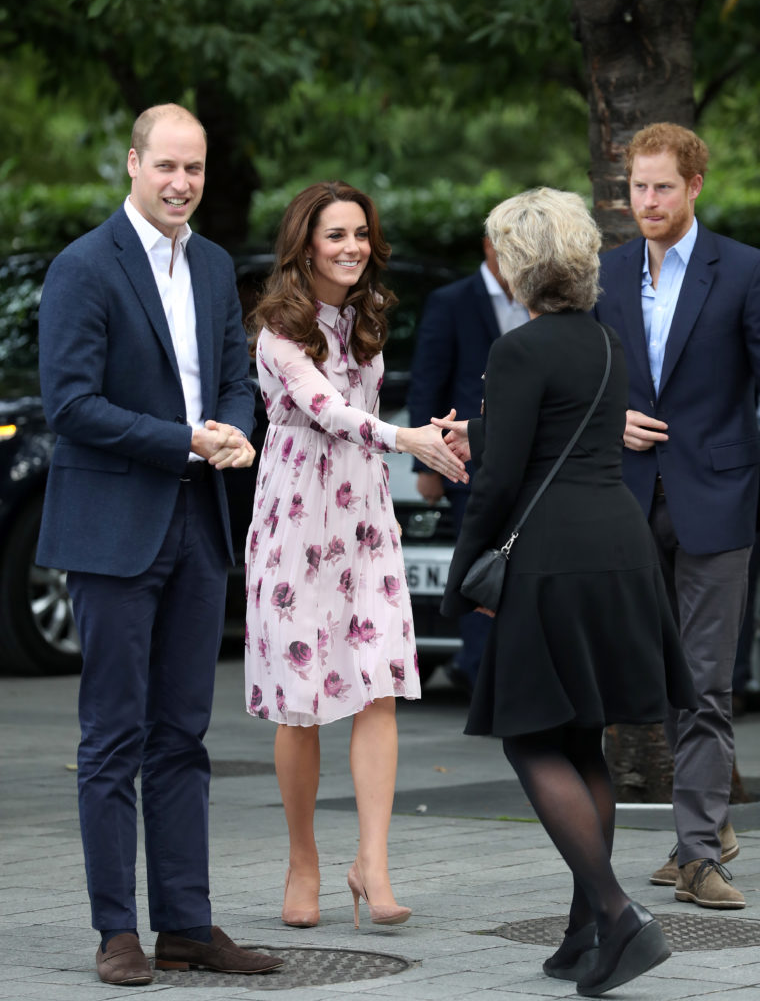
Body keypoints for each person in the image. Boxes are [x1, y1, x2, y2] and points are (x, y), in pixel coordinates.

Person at [36, 104, 282, 985]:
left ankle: (185, 924)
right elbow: (69, 405)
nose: (182, 184)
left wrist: (236, 429)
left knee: (185, 734)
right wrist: (184, 438)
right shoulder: (83, 266)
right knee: (112, 738)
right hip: (113, 527)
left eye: (196, 169)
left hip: (198, 522)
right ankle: (117, 931)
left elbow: (231, 374)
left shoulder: (214, 265)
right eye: (167, 166)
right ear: (133, 165)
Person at [438, 188, 695, 996]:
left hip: (551, 560)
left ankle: (620, 916)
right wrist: (479, 428)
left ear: (516, 263)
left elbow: (502, 478)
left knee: (531, 736)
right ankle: (586, 927)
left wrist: (462, 576)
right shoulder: (608, 342)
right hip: (616, 548)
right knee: (582, 734)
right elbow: (562, 428)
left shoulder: (518, 349)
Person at [244, 180, 467, 931]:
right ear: (305, 243)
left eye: (361, 235)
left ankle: (372, 862)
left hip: (364, 519)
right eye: (336, 235)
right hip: (297, 523)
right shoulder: (277, 331)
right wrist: (405, 439)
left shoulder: (365, 317)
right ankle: (303, 860)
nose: (351, 248)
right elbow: (328, 411)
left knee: (378, 688)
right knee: (301, 702)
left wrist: (431, 434)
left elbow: (361, 414)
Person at [595, 122, 760, 910]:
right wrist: (609, 421)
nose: (649, 201)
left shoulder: (745, 271)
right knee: (657, 677)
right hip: (627, 500)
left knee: (706, 680)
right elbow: (585, 380)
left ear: (695, 186)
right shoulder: (607, 273)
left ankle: (696, 854)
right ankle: (709, 830)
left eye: (664, 186)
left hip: (717, 501)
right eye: (638, 187)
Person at [407, 237, 528, 690]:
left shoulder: (537, 296)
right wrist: (428, 464)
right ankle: (481, 678)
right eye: (505, 244)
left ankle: (516, 677)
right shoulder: (451, 301)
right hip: (465, 463)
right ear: (486, 245)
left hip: (526, 463)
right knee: (477, 571)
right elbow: (429, 378)